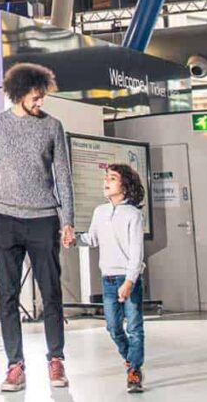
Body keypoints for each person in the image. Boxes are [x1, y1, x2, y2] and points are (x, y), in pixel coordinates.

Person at [0, 62, 74, 392]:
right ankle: (15, 365)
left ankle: (55, 360)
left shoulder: (53, 126)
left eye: (43, 97)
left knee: (52, 294)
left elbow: (64, 178)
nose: (41, 102)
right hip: (7, 221)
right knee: (8, 297)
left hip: (44, 219)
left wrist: (68, 221)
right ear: (19, 93)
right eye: (36, 96)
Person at [75, 164, 147, 394]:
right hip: (107, 280)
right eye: (106, 178)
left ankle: (134, 371)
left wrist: (129, 282)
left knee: (134, 327)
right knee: (113, 326)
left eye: (112, 178)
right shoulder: (100, 211)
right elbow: (92, 239)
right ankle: (130, 359)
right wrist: (72, 239)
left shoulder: (133, 215)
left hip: (129, 280)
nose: (106, 181)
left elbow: (137, 253)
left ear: (125, 186)